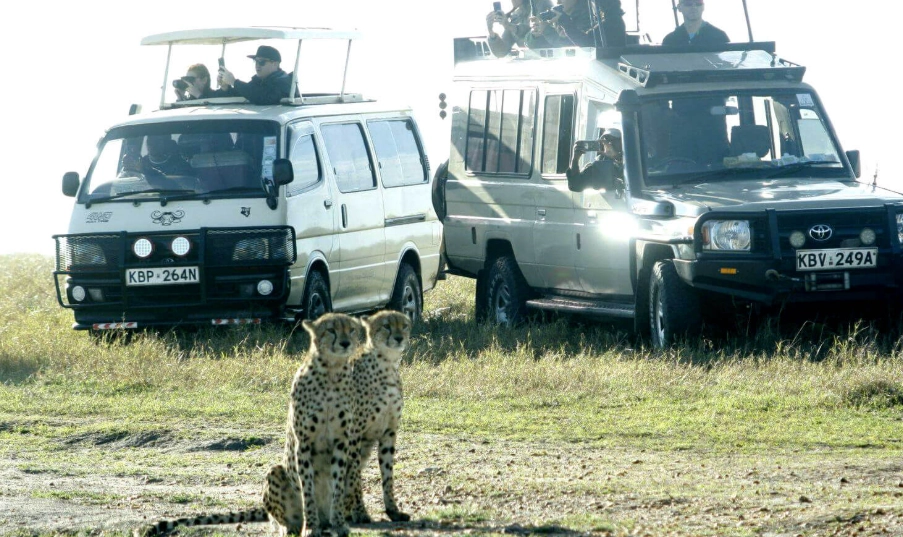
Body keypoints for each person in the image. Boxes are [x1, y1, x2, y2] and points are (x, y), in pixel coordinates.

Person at [218, 45, 296, 105]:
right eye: (256, 61)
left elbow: (263, 97)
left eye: (262, 62)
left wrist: (234, 82)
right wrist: (225, 88)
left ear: (275, 64)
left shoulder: (285, 83)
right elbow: (244, 94)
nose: (257, 65)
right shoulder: (259, 81)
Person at [486, 0, 553, 57]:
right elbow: (502, 52)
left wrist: (509, 26)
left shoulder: (542, 4)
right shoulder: (516, 16)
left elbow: (535, 34)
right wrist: (491, 33)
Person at [566, 127, 624, 192]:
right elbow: (575, 185)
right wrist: (575, 159)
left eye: (613, 141)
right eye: (606, 141)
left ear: (622, 143)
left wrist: (617, 158)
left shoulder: (633, 161)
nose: (609, 144)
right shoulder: (598, 166)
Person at [526, 0, 595, 48]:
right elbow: (544, 48)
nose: (558, 1)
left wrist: (546, 30)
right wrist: (535, 35)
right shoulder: (556, 16)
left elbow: (575, 45)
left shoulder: (589, 18)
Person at [662, 0, 729, 46]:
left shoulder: (719, 37)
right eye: (688, 3)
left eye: (698, 3)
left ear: (703, 7)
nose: (694, 7)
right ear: (679, 7)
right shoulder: (670, 40)